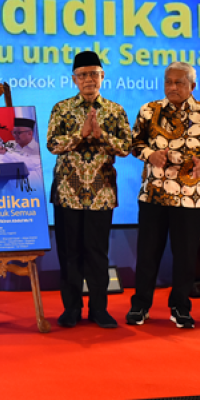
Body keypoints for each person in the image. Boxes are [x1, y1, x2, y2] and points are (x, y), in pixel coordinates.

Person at [128, 62, 200, 329]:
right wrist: (150, 154)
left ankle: (180, 307)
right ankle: (140, 306)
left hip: (191, 196)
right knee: (147, 253)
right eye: (168, 82)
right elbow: (134, 142)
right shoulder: (149, 111)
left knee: (185, 256)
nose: (172, 87)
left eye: (179, 83)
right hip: (153, 194)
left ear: (192, 86)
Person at [47, 51, 132, 329]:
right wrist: (80, 135)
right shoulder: (61, 108)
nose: (88, 79)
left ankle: (99, 309)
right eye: (82, 75)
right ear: (74, 79)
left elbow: (126, 147)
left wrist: (101, 135)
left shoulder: (116, 110)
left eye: (94, 74)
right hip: (67, 193)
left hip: (101, 192)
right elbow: (52, 144)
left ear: (102, 77)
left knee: (97, 253)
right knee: (70, 253)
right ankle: (71, 309)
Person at [0, 117, 43, 184]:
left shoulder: (38, 148)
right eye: (13, 132)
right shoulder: (10, 144)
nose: (15, 135)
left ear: (29, 133)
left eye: (18, 133)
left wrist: (7, 154)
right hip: (10, 189)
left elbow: (29, 164)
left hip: (32, 187)